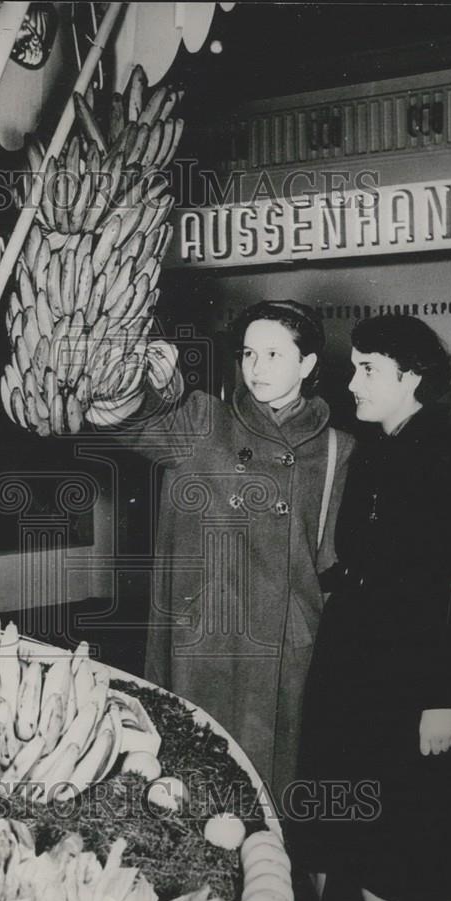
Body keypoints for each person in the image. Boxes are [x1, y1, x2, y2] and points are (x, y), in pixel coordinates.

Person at [295, 315, 451, 901]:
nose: (351, 382)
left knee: (431, 817)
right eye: (352, 367)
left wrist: (441, 695)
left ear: (411, 377)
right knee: (361, 810)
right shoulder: (365, 450)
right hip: (357, 661)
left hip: (424, 672)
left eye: (367, 370)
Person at [125, 300, 354, 800]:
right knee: (192, 794)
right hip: (203, 642)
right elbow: (125, 423)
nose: (257, 368)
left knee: (272, 807)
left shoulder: (341, 449)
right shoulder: (201, 420)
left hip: (286, 654)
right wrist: (147, 385)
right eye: (250, 353)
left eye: (274, 354)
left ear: (308, 364)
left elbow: (337, 565)